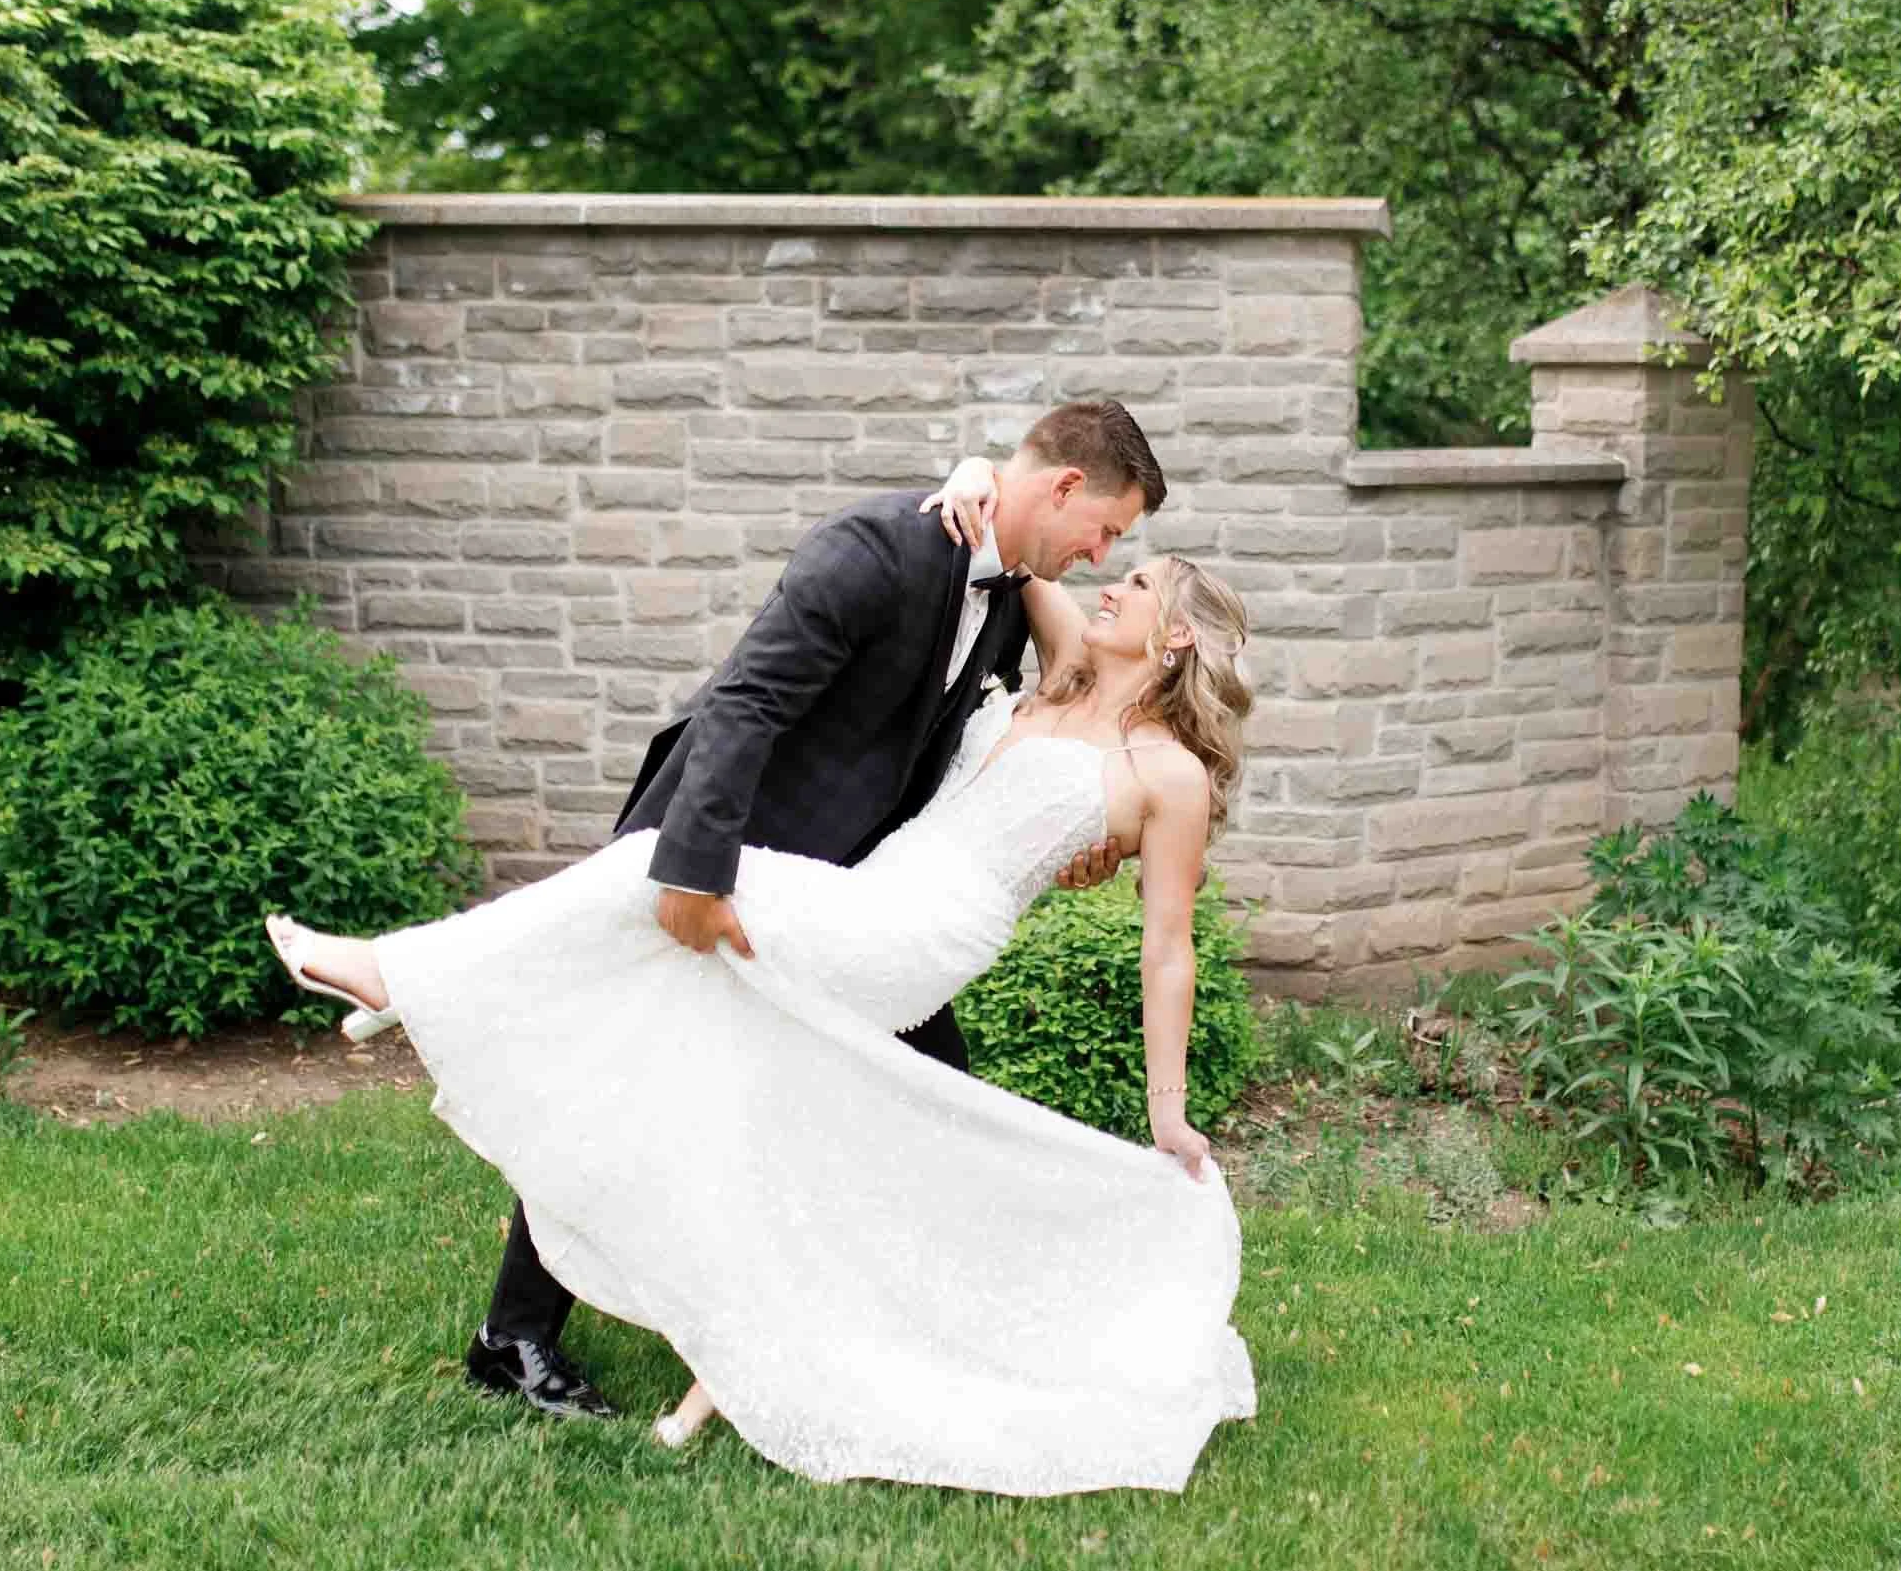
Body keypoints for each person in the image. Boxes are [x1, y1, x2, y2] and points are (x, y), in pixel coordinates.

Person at [262, 522, 1261, 1493]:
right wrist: (963, 474)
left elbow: (1165, 947)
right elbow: (1013, 525)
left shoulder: (1166, 775)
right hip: (873, 895)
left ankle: (394, 977)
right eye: (1116, 556)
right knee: (677, 1025)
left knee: (658, 872)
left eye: (1140, 580)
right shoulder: (1065, 667)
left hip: (910, 937)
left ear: (1173, 635)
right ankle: (695, 1339)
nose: (1113, 579)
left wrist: (1165, 1107)